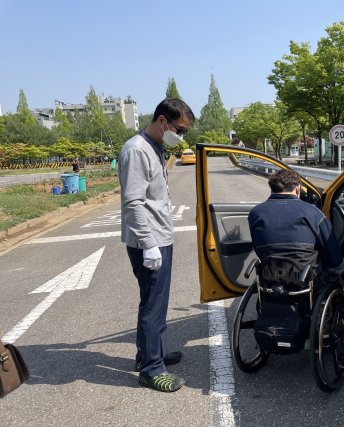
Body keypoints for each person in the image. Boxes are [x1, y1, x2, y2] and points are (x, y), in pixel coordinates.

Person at [118, 98, 195, 393]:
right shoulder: (137, 150)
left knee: (155, 303)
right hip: (149, 242)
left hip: (158, 236)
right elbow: (133, 202)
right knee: (153, 305)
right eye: (180, 129)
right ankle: (151, 370)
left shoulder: (154, 147)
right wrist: (149, 244)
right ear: (162, 121)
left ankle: (150, 355)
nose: (181, 136)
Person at [248, 169, 344, 287]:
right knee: (337, 265)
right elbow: (331, 252)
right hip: (306, 280)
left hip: (270, 278)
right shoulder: (312, 212)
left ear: (272, 188)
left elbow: (258, 248)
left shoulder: (255, 213)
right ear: (298, 189)